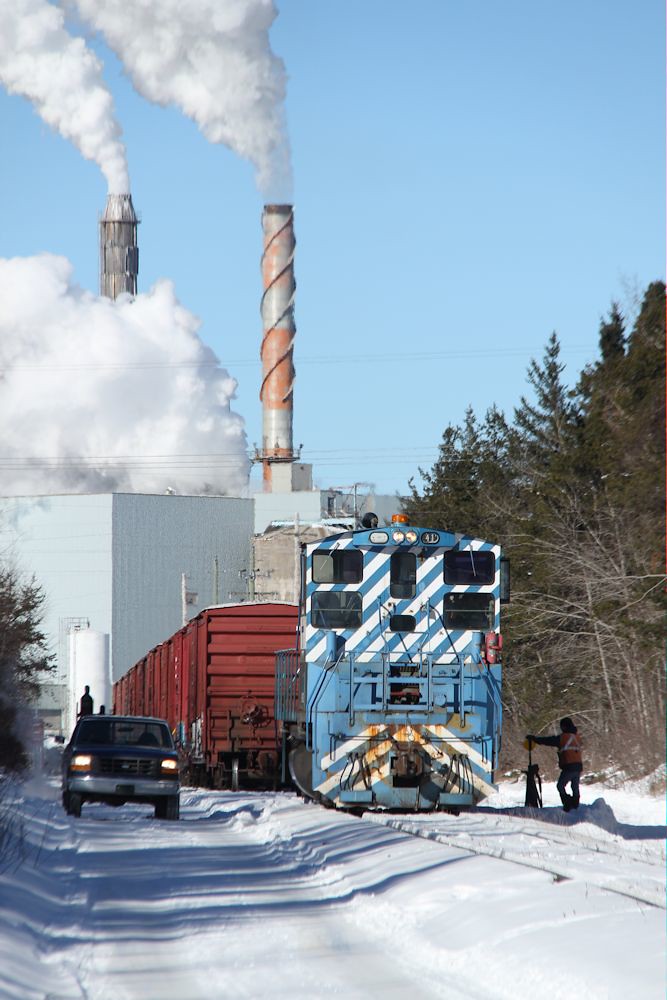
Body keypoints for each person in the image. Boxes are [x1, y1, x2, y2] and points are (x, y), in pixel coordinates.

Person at [526, 717, 583, 811]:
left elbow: (548, 741)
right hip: (578, 766)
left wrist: (535, 739)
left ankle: (567, 803)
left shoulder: (563, 738)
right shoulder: (577, 737)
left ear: (564, 726)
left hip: (569, 766)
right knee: (575, 786)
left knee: (560, 785)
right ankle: (575, 804)